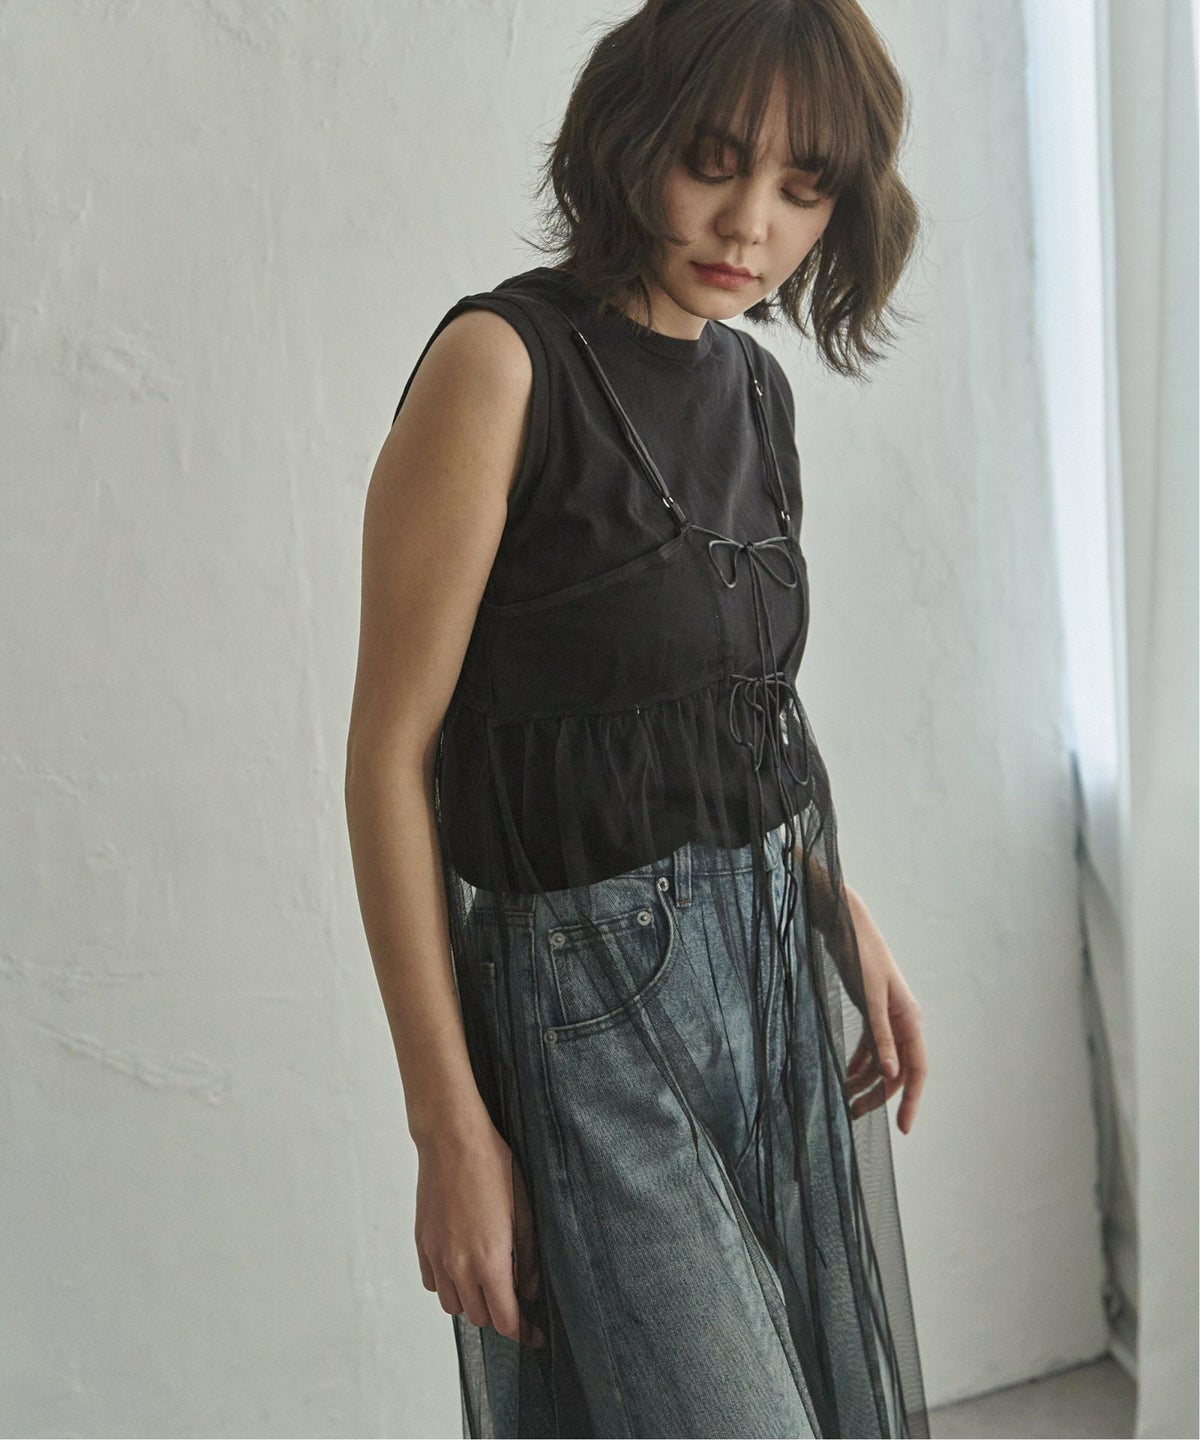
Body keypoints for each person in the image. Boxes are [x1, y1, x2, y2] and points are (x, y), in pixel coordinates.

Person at [345, 1, 931, 1434]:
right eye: (713, 161)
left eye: (802, 188)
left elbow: (725, 724)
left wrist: (834, 905)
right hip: (587, 1010)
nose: (750, 223)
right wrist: (447, 1127)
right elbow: (389, 761)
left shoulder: (756, 393)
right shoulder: (504, 365)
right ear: (630, 136)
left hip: (771, 976)